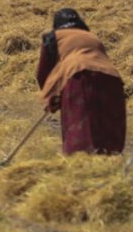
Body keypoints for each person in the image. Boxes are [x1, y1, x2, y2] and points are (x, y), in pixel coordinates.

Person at [36, 8, 125, 155]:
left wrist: (52, 97)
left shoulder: (53, 37)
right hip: (112, 79)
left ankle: (81, 164)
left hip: (80, 78)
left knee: (80, 125)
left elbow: (43, 73)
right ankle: (109, 160)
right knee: (107, 124)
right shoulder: (92, 36)